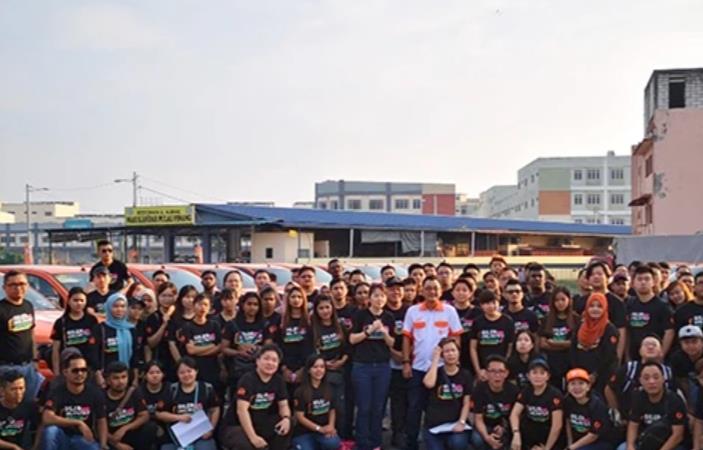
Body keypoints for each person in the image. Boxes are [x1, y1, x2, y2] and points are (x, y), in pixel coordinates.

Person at [402, 276, 463, 450]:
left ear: (441, 291)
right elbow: (406, 338)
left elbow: (456, 338)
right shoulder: (413, 311)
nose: (432, 292)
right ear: (422, 290)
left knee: (438, 408)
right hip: (418, 367)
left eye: (435, 288)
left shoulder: (449, 311)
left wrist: (453, 362)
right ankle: (411, 443)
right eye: (428, 288)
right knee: (414, 407)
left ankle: (438, 442)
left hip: (442, 369)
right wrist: (406, 362)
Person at [350, 283, 395, 450]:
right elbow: (352, 339)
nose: (379, 299)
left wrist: (384, 333)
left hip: (382, 366)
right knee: (364, 407)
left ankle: (376, 443)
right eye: (376, 295)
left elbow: (393, 343)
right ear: (369, 298)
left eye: (382, 296)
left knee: (378, 407)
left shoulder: (389, 317)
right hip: (363, 366)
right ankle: (362, 443)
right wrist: (368, 331)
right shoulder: (360, 315)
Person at [219, 344, 291, 450]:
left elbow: (283, 405)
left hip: (261, 422)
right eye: (266, 359)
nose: (270, 363)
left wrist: (286, 418)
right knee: (247, 444)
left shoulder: (279, 381)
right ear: (257, 361)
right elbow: (242, 411)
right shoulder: (247, 380)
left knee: (284, 427)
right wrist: (253, 437)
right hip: (237, 425)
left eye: (274, 360)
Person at [42, 352, 108, 450]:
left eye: (83, 370)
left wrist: (103, 444)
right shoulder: (57, 392)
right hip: (62, 437)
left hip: (83, 438)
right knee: (50, 431)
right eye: (75, 370)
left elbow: (101, 420)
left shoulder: (95, 392)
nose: (80, 373)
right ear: (65, 372)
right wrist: (78, 423)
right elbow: (47, 418)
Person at [617, 361, 687, 450]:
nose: (651, 382)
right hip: (644, 440)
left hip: (668, 444)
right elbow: (633, 425)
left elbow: (677, 435)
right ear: (640, 381)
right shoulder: (638, 397)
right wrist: (630, 446)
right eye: (646, 378)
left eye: (656, 377)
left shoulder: (674, 400)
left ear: (663, 379)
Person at [158, 357, 220, 450]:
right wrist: (178, 417)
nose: (186, 375)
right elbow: (159, 414)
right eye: (182, 372)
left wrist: (211, 429)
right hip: (177, 436)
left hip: (201, 434)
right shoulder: (171, 389)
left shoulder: (206, 388)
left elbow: (215, 409)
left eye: (189, 371)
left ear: (196, 371)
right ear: (177, 374)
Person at [422, 338, 472, 450]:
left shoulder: (466, 375)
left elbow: (467, 402)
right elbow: (429, 384)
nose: (450, 354)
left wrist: (462, 422)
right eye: (446, 351)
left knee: (458, 443)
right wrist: (435, 360)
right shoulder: (435, 372)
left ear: (458, 353)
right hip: (435, 425)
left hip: (455, 423)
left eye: (453, 350)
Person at [0, 271, 42, 402]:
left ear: (28, 286)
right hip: (7, 367)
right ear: (4, 287)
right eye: (13, 285)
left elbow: (31, 333)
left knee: (29, 404)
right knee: (9, 405)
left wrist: (35, 359)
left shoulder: (28, 305)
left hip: (28, 365)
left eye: (22, 284)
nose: (18, 288)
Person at [310, 296, 348, 438]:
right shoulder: (312, 329)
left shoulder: (340, 326)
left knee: (340, 408)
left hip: (339, 372)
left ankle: (341, 438)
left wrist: (342, 361)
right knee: (324, 407)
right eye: (321, 308)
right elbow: (310, 352)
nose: (325, 311)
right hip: (320, 374)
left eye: (327, 307)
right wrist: (323, 364)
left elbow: (348, 349)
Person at [509, 358, 563, 450]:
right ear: (528, 376)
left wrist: (547, 448)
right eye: (534, 373)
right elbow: (514, 414)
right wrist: (516, 433)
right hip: (528, 436)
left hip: (548, 438)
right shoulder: (526, 391)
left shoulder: (555, 394)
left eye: (542, 373)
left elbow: (557, 426)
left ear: (548, 376)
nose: (538, 376)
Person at [570, 293, 619, 394]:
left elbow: (608, 356)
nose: (595, 309)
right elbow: (573, 350)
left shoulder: (610, 329)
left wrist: (595, 374)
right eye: (591, 306)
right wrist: (579, 372)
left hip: (602, 376)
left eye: (599, 306)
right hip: (581, 375)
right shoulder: (580, 326)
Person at [291, 355, 341, 450]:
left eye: (322, 367)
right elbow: (300, 417)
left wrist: (331, 426)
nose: (319, 370)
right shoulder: (300, 391)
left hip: (323, 430)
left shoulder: (329, 388)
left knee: (333, 443)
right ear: (308, 370)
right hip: (304, 432)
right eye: (315, 367)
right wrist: (319, 429)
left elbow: (332, 410)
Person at [103, 361, 157, 450]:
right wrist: (118, 445)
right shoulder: (100, 397)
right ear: (108, 380)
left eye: (123, 377)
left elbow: (144, 415)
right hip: (112, 437)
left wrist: (125, 429)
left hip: (130, 432)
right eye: (116, 378)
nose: (121, 381)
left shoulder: (133, 392)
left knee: (150, 427)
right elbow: (98, 427)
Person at [625, 265, 674, 360]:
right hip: (634, 356)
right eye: (639, 279)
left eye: (647, 279)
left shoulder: (663, 306)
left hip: (655, 356)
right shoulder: (629, 305)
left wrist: (661, 354)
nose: (643, 282)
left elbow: (669, 332)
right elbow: (627, 332)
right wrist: (627, 355)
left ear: (653, 282)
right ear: (633, 283)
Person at [471, 355, 519, 450]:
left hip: (505, 425)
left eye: (501, 371)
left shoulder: (513, 391)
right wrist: (487, 437)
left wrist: (504, 428)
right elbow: (478, 419)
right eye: (493, 371)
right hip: (486, 425)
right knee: (477, 440)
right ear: (486, 373)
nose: (497, 375)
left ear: (506, 373)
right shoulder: (479, 389)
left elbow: (515, 416)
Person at [222, 291, 266, 394]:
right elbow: (224, 348)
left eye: (255, 304)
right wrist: (239, 352)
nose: (252, 307)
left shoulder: (264, 324)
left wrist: (257, 349)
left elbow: (269, 346)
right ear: (242, 305)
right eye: (249, 304)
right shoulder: (232, 324)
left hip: (259, 369)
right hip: (237, 371)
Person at [51, 287, 101, 377]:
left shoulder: (92, 320)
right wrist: (57, 372)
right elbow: (56, 349)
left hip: (88, 366)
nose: (79, 303)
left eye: (82, 300)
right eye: (75, 300)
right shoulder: (61, 322)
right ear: (69, 301)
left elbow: (97, 345)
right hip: (69, 367)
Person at [275, 284, 313, 394]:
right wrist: (283, 368)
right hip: (285, 366)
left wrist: (304, 369)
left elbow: (311, 346)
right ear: (288, 299)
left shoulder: (310, 321)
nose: (296, 300)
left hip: (304, 367)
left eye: (299, 297)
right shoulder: (280, 320)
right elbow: (278, 345)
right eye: (293, 297)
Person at [470, 289, 515, 381]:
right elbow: (473, 348)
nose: (491, 306)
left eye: (494, 302)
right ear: (481, 305)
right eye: (487, 303)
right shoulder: (477, 322)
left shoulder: (507, 321)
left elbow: (510, 347)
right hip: (483, 369)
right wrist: (478, 370)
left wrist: (504, 367)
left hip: (502, 368)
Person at [539, 286, 579, 388]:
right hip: (552, 363)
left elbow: (576, 343)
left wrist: (554, 343)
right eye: (557, 300)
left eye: (563, 299)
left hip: (570, 362)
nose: (560, 303)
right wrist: (565, 344)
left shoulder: (576, 319)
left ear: (569, 300)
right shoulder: (547, 319)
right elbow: (543, 344)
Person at [563, 368, 613, 450]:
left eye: (581, 383)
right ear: (568, 387)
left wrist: (571, 448)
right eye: (572, 384)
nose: (577, 387)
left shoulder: (597, 405)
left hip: (599, 442)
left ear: (588, 386)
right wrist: (570, 444)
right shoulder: (568, 402)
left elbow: (594, 435)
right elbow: (568, 422)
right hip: (578, 442)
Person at [182, 294, 222, 392]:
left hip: (213, 368)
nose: (202, 307)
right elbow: (191, 350)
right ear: (193, 306)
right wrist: (211, 345)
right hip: (196, 369)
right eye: (200, 304)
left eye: (205, 304)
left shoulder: (214, 325)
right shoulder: (188, 326)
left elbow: (220, 347)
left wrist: (198, 350)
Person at [98, 293, 138, 385]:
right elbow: (95, 354)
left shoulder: (131, 329)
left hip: (127, 376)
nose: (119, 309)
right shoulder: (101, 328)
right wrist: (99, 376)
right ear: (108, 307)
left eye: (123, 306)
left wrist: (135, 378)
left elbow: (135, 355)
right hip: (106, 378)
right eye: (115, 306)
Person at [145, 282, 178, 381]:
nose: (166, 299)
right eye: (163, 295)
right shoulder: (153, 317)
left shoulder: (179, 316)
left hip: (178, 361)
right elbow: (151, 343)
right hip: (160, 361)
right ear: (158, 296)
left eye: (170, 296)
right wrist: (164, 324)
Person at [0, 370, 40, 450]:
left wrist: (36, 445)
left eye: (21, 388)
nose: (18, 393)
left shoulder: (29, 405)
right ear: (2, 391)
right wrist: (13, 447)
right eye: (13, 389)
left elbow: (40, 425)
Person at [670, 325, 703, 406]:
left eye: (694, 342)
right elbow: (680, 382)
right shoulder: (677, 358)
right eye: (686, 342)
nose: (691, 346)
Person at [139, 360, 169, 446]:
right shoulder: (139, 391)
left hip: (167, 423)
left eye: (158, 372)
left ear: (163, 374)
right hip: (147, 425)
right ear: (145, 375)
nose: (155, 375)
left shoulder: (170, 388)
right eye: (151, 373)